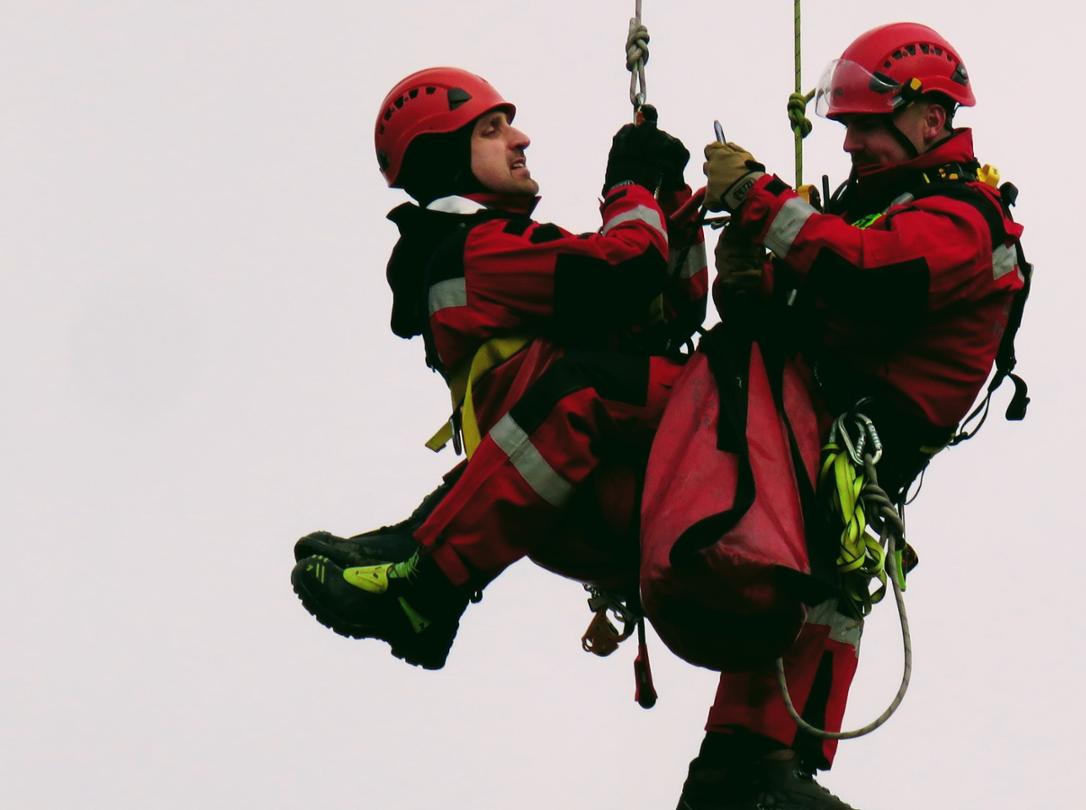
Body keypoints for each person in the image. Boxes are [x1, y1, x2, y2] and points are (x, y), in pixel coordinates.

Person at [291, 61, 866, 810]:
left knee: (832, 530)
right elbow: (625, 272)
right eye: (493, 130)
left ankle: (752, 761)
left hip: (601, 480)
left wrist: (677, 213)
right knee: (679, 376)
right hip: (588, 460)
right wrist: (632, 192)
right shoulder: (471, 250)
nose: (520, 138)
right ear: (443, 154)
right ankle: (427, 576)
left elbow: (661, 311)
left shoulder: (507, 251)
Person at [686, 19, 1033, 809]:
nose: (850, 146)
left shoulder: (964, 218)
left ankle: (770, 764)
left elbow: (874, 280)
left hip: (863, 432)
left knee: (816, 577)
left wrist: (756, 198)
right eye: (846, 129)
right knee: (808, 580)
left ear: (930, 119)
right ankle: (742, 762)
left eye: (867, 126)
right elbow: (830, 300)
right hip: (827, 420)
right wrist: (751, 280)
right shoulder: (878, 212)